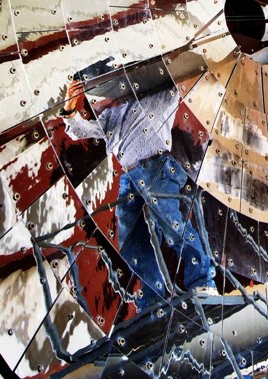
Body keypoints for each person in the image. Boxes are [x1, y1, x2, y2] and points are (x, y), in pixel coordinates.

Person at [62, 75, 217, 302]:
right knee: (132, 244)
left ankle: (204, 283)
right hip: (129, 175)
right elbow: (81, 131)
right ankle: (150, 300)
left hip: (157, 167)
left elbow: (183, 76)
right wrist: (69, 109)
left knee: (173, 230)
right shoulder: (112, 111)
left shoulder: (160, 89)